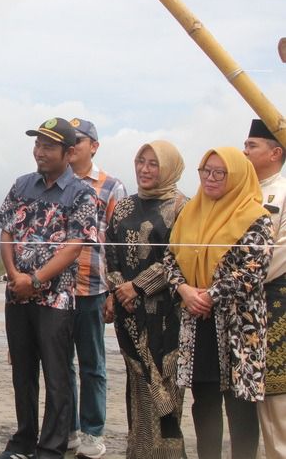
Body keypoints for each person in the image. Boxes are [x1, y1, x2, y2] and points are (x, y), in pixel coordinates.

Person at [0, 117, 99, 459]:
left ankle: (51, 446)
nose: (40, 152)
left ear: (68, 153)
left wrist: (35, 280)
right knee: (22, 371)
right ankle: (23, 438)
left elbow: (73, 247)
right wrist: (13, 275)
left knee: (57, 374)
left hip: (56, 299)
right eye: (38, 145)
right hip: (16, 295)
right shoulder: (22, 185)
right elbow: (5, 231)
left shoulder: (81, 192)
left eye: (49, 146)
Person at [163, 147, 271, 459]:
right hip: (197, 319)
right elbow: (170, 257)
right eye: (205, 171)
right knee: (205, 399)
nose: (210, 178)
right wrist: (184, 290)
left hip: (239, 323)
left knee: (240, 404)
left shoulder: (256, 217)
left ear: (236, 176)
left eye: (219, 173)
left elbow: (253, 269)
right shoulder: (190, 211)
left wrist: (209, 295)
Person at [104, 141, 187, 458]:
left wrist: (138, 286)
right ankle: (138, 452)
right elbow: (110, 252)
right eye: (141, 161)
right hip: (129, 315)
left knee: (165, 384)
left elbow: (178, 257)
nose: (145, 169)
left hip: (168, 315)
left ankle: (168, 454)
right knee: (137, 385)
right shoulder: (124, 207)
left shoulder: (182, 208)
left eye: (153, 163)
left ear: (168, 167)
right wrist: (119, 287)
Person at [66, 118, 126, 459]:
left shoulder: (111, 186)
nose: (73, 145)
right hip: (56, 288)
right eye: (69, 139)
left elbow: (118, 244)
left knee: (93, 364)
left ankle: (92, 431)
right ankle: (70, 428)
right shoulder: (56, 181)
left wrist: (114, 292)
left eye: (80, 139)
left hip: (93, 285)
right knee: (62, 364)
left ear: (94, 146)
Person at [243, 119, 286, 459]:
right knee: (248, 399)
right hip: (242, 306)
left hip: (275, 302)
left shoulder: (282, 192)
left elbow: (278, 254)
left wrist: (235, 281)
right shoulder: (241, 192)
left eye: (251, 146)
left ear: (275, 152)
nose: (244, 151)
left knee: (277, 400)